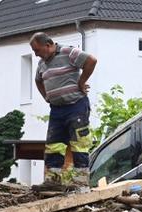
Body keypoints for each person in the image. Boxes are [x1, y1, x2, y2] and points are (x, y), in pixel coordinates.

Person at [29, 32, 98, 189]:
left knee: (79, 143)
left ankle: (80, 183)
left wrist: (82, 81)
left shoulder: (69, 52)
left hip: (76, 106)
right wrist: (47, 96)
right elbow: (38, 80)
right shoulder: (42, 64)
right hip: (57, 110)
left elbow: (91, 61)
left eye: (37, 50)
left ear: (48, 45)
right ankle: (52, 182)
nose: (36, 54)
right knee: (54, 145)